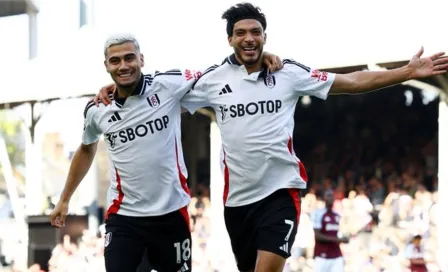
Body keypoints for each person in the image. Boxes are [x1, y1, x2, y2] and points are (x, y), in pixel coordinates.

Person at [94, 3, 448, 271]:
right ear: (230, 39)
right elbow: (157, 93)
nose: (249, 38)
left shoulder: (288, 73)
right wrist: (119, 84)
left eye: (256, 32)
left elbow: (351, 83)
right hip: (237, 204)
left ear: (265, 36)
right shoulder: (212, 81)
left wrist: (405, 71)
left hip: (280, 193)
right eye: (241, 33)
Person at [50, 34, 281, 272]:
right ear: (106, 66)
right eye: (115, 61)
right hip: (124, 218)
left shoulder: (168, 85)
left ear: (141, 59)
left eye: (129, 58)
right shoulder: (97, 109)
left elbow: (216, 74)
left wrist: (255, 59)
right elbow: (87, 148)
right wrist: (65, 199)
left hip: (171, 215)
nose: (123, 66)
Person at [311, 190, 348, 272]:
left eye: (332, 196)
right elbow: (317, 236)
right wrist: (337, 239)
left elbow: (343, 233)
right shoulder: (318, 213)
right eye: (328, 195)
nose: (331, 198)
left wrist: (345, 238)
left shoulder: (337, 215)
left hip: (336, 255)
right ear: (324, 198)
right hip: (322, 255)